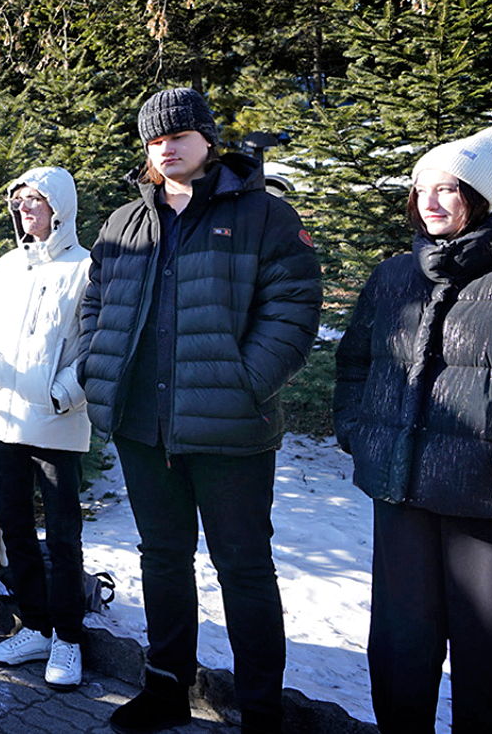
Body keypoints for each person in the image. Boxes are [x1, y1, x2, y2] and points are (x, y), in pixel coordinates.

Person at [333, 126, 492, 733]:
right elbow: (354, 363)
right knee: (400, 649)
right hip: (402, 494)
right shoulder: (393, 276)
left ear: (478, 197)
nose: (431, 200)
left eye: (448, 188)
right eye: (422, 188)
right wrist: (359, 432)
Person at [79, 88, 320, 734]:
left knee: (242, 567)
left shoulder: (263, 216)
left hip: (231, 430)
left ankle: (262, 709)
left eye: (180, 133)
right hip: (142, 426)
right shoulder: (123, 225)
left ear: (208, 139)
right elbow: (93, 307)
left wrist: (246, 382)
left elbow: (294, 308)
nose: (167, 145)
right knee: (161, 557)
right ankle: (165, 690)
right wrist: (91, 368)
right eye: (156, 138)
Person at [0, 168, 94, 690]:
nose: (24, 209)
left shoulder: (86, 267)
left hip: (55, 421)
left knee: (63, 537)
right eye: (18, 201)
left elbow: (95, 345)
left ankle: (68, 638)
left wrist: (62, 394)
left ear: (59, 207)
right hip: (2, 417)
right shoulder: (7, 266)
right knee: (16, 529)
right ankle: (36, 626)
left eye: (35, 200)